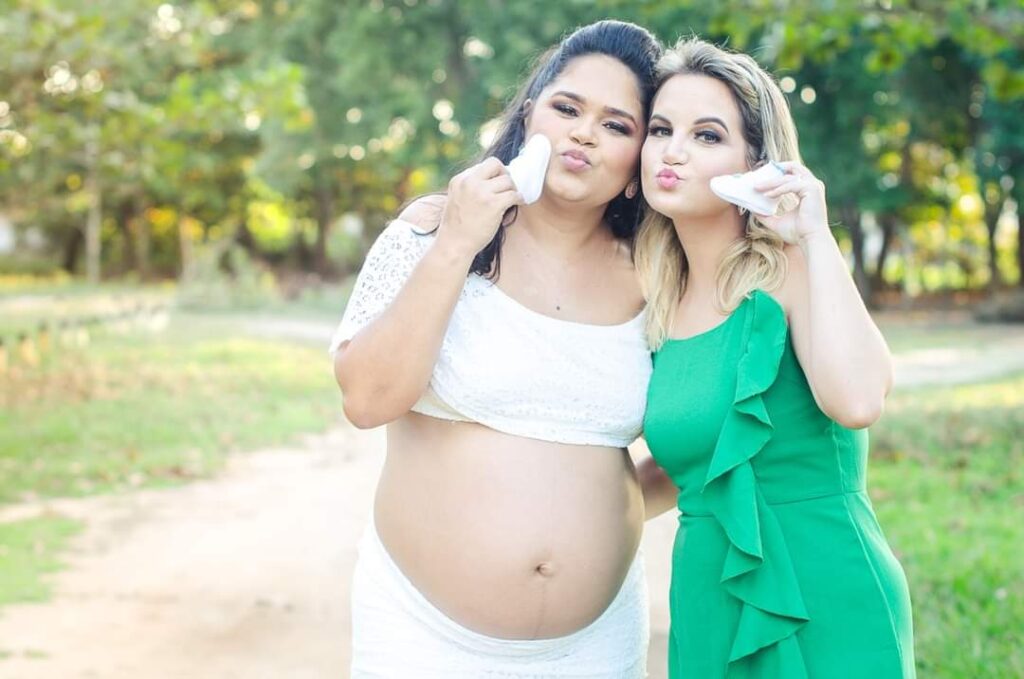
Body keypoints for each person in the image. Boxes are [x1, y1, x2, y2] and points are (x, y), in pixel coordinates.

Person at [330, 20, 662, 678]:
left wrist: (603, 515)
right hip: (422, 637)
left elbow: (703, 435)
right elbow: (366, 399)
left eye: (616, 125)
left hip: (598, 645)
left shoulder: (654, 276)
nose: (584, 133)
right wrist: (458, 242)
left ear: (637, 167)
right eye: (567, 108)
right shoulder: (432, 230)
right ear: (528, 116)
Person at [635, 37, 916, 678]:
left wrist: (813, 235)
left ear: (757, 163)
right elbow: (687, 469)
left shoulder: (789, 269)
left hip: (826, 590)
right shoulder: (656, 303)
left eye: (707, 135)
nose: (673, 151)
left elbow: (858, 400)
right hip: (708, 598)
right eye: (661, 129)